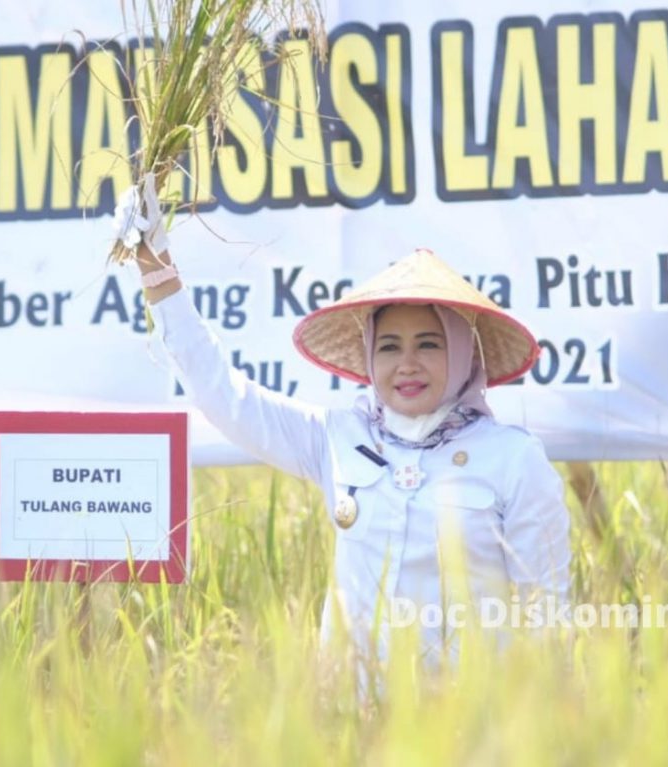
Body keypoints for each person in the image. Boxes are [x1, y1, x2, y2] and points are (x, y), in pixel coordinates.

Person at [117, 186, 571, 667]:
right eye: (390, 346)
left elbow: (546, 617)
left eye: (430, 345)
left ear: (464, 354)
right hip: (350, 721)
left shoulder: (514, 459)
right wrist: (156, 268)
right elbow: (224, 395)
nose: (408, 364)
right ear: (370, 357)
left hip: (468, 725)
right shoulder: (337, 438)